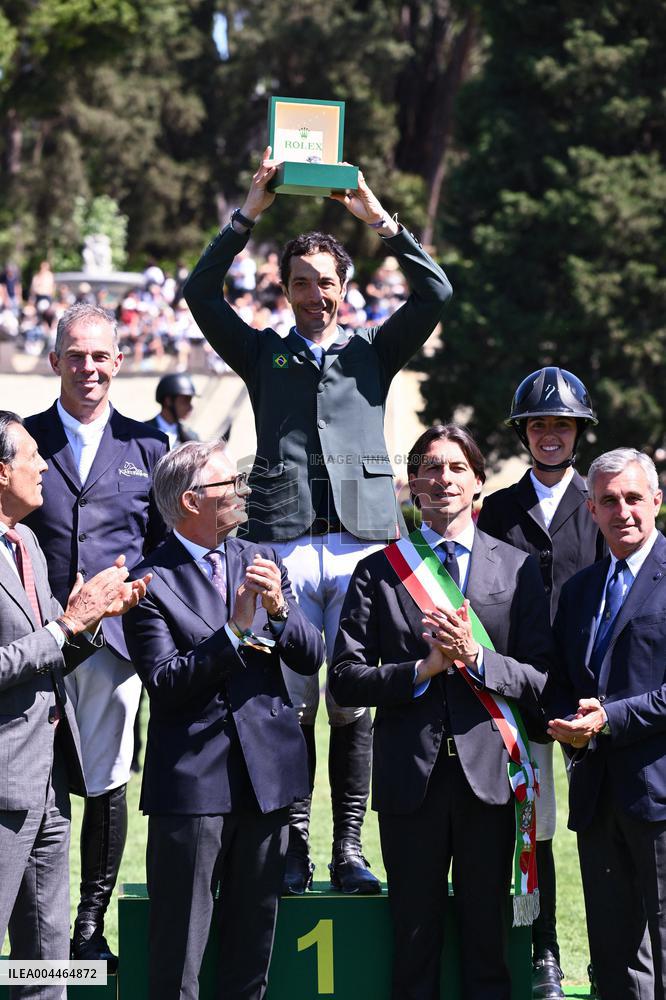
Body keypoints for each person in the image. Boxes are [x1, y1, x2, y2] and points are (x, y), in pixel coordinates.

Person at [184, 147, 452, 895]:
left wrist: (373, 214)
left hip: (367, 547)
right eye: (302, 284)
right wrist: (249, 213)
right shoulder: (262, 353)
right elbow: (200, 293)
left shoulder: (373, 350)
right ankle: (296, 845)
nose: (315, 297)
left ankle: (349, 850)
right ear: (286, 289)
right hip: (287, 544)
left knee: (356, 708)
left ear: (346, 288)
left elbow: (436, 291)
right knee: (293, 706)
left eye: (327, 285)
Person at [329, 423, 553, 1000]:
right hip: (411, 781)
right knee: (414, 940)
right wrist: (422, 671)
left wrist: (476, 657)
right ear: (412, 484)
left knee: (487, 941)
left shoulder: (519, 568)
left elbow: (540, 677)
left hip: (490, 778)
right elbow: (347, 679)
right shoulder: (378, 572)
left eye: (456, 467)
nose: (443, 478)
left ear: (478, 481)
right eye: (430, 467)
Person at [122, 441, 324, 1000]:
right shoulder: (148, 582)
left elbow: (310, 656)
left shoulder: (259, 556)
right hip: (192, 787)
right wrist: (234, 632)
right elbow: (164, 684)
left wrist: (280, 610)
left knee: (250, 952)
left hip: (268, 783)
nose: (241, 492)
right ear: (190, 501)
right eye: (226, 485)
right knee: (179, 957)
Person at [23, 303, 168, 969]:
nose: (88, 367)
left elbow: (164, 549)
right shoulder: (21, 441)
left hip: (114, 647)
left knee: (107, 786)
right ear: (54, 361)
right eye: (75, 355)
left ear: (119, 360)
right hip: (36, 641)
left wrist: (133, 593)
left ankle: (88, 927)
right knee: (35, 789)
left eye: (99, 355)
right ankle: (36, 936)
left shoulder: (149, 444)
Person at [0, 411, 149, 994]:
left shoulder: (29, 542)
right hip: (4, 784)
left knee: (44, 965)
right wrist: (67, 627)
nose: (43, 466)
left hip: (49, 781)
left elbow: (47, 657)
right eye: (32, 455)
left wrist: (94, 623)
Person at [477, 366, 604, 999]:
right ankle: (545, 948)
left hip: (589, 690)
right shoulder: (497, 509)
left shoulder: (602, 502)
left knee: (603, 821)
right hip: (518, 688)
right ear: (524, 432)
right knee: (538, 825)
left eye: (561, 424)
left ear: (579, 431)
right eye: (538, 424)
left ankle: (610, 951)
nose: (550, 434)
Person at [548, 448, 666, 1000]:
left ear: (657, 502)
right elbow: (563, 684)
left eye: (634, 498)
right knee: (613, 959)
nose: (623, 510)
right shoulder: (578, 592)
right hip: (596, 799)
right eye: (609, 501)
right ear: (592, 510)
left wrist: (610, 719)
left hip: (660, 796)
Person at [146, 371, 200, 447]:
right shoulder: (142, 432)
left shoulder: (192, 439)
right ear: (168, 401)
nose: (190, 406)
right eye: (185, 400)